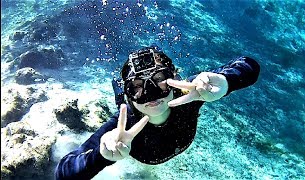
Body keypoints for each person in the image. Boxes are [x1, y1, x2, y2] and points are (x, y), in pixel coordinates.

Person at [55, 46, 260, 179]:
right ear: (129, 93)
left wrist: (226, 81)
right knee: (123, 108)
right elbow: (62, 173)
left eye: (160, 80)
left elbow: (249, 64)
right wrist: (101, 156)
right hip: (132, 124)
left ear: (174, 79)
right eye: (136, 87)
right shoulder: (122, 129)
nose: (151, 95)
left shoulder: (191, 93)